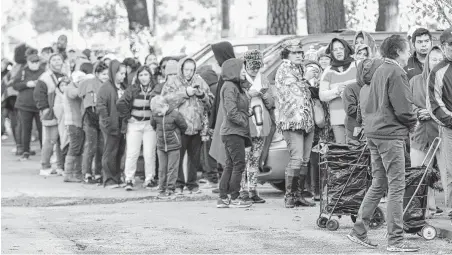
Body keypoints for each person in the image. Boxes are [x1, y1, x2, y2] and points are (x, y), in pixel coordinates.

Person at [347, 35, 419, 252]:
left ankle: (358, 230)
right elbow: (404, 108)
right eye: (407, 50)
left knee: (379, 183)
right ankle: (396, 241)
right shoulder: (396, 71)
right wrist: (413, 123)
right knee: (397, 187)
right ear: (398, 51)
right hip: (390, 135)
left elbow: (369, 102)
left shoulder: (379, 70)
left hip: (375, 133)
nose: (410, 54)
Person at [161, 57, 214, 195]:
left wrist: (202, 95)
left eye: (192, 69)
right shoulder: (172, 82)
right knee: (178, 156)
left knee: (194, 158)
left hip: (197, 126)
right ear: (181, 68)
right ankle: (178, 184)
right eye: (186, 69)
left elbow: (210, 103)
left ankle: (192, 183)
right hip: (179, 126)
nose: (189, 72)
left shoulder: (200, 81)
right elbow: (165, 101)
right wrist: (185, 93)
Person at [275, 39, 316, 208]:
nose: (299, 55)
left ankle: (299, 194)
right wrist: (306, 79)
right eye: (295, 53)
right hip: (292, 121)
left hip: (306, 120)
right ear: (287, 54)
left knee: (305, 159)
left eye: (300, 52)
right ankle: (290, 196)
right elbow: (295, 92)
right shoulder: (284, 69)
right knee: (297, 158)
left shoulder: (299, 68)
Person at [410, 46, 444, 218]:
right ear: (427, 61)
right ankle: (423, 212)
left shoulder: (448, 80)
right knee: (419, 173)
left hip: (443, 132)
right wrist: (417, 111)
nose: (436, 62)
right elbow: (406, 103)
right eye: (433, 59)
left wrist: (431, 112)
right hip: (420, 132)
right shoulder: (415, 80)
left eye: (440, 59)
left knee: (447, 174)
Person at [216, 58, 253, 208]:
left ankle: (223, 197)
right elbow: (231, 112)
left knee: (230, 165)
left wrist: (246, 112)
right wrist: (244, 120)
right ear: (233, 71)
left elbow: (246, 93)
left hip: (234, 131)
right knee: (238, 164)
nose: (245, 72)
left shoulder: (235, 86)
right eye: (242, 69)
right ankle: (235, 196)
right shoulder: (229, 86)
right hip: (233, 131)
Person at [238, 50, 274, 204]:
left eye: (257, 66)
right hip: (245, 125)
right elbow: (235, 101)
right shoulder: (238, 79)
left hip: (260, 125)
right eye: (252, 66)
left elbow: (271, 103)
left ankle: (253, 189)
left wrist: (264, 95)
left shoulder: (264, 79)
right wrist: (248, 95)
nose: (254, 69)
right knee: (243, 160)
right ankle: (241, 190)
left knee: (254, 159)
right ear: (245, 64)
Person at [117, 66, 160, 191]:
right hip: (134, 124)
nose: (143, 78)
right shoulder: (133, 89)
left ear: (150, 76)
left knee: (149, 153)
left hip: (149, 125)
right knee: (132, 152)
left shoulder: (155, 89)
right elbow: (120, 103)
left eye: (146, 74)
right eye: (141, 75)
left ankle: (150, 179)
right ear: (137, 77)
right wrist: (128, 116)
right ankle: (129, 179)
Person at [427, 27, 452, 219]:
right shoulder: (437, 71)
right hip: (449, 127)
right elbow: (434, 104)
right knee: (450, 169)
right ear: (444, 47)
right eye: (450, 44)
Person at [34, 54, 67, 176]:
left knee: (61, 140)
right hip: (51, 113)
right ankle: (45, 165)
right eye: (54, 59)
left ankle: (60, 166)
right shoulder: (45, 77)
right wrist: (45, 109)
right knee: (50, 140)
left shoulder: (64, 75)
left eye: (59, 59)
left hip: (63, 114)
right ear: (50, 62)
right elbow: (38, 94)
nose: (57, 61)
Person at [320, 38, 357, 144]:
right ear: (331, 52)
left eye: (341, 48)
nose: (338, 51)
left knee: (358, 151)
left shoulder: (357, 66)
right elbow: (322, 95)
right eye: (335, 50)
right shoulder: (328, 71)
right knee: (342, 153)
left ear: (346, 49)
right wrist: (336, 91)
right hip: (338, 120)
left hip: (356, 118)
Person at [97, 60, 127, 188]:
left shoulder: (123, 87)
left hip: (122, 125)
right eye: (121, 73)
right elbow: (101, 106)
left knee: (119, 151)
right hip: (111, 125)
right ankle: (109, 179)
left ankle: (117, 177)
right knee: (110, 152)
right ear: (114, 73)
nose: (123, 76)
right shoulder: (106, 87)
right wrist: (107, 122)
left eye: (124, 74)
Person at [150, 95, 188, 197]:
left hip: (174, 146)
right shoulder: (155, 115)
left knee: (172, 168)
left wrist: (176, 136)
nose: (158, 113)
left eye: (159, 111)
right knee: (162, 169)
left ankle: (171, 189)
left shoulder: (175, 114)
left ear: (166, 106)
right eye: (156, 112)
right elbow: (153, 125)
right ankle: (161, 189)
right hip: (161, 146)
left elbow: (184, 126)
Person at [79, 61, 109, 184]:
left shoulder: (108, 85)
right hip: (90, 117)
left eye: (107, 74)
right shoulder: (89, 83)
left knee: (101, 147)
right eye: (103, 74)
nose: (106, 76)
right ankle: (86, 173)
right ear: (97, 74)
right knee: (91, 146)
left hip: (102, 117)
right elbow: (82, 95)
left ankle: (98, 172)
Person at [12, 53, 45, 161]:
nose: (35, 64)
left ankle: (44, 151)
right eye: (32, 62)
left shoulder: (43, 72)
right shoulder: (22, 71)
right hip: (24, 105)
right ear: (28, 62)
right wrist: (27, 84)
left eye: (36, 62)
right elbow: (15, 85)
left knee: (42, 129)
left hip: (40, 105)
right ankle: (25, 151)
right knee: (26, 129)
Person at [198, 65, 220, 188]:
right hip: (216, 125)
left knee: (208, 152)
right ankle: (215, 177)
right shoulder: (219, 87)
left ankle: (211, 178)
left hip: (209, 127)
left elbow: (209, 108)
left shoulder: (209, 90)